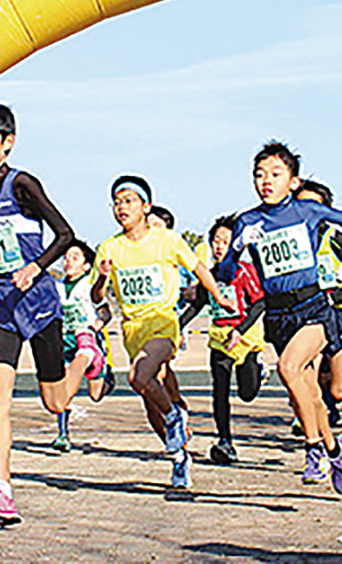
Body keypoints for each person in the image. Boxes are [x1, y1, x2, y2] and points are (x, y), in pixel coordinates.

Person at [0, 102, 105, 525]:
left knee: (55, 401)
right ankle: (1, 490)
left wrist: (36, 266)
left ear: (8, 143)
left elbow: (65, 234)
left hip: (39, 304)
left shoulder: (21, 184)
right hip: (2, 309)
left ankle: (85, 355)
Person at [219, 141, 342, 492]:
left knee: (288, 369)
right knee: (307, 394)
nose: (266, 181)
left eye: (275, 174)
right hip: (279, 315)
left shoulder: (306, 212)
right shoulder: (248, 221)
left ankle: (312, 449)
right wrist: (237, 246)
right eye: (259, 175)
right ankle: (334, 448)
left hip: (313, 307)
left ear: (292, 181)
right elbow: (225, 272)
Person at [91, 175, 236, 489]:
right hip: (132, 331)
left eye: (128, 201)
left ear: (146, 206)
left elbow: (198, 268)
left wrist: (218, 295)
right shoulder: (109, 247)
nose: (121, 208)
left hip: (163, 325)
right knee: (151, 401)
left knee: (139, 378)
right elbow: (96, 297)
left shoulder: (166, 240)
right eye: (116, 203)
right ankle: (179, 456)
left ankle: (175, 418)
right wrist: (102, 279)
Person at [179, 214, 266, 464]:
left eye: (225, 241)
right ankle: (225, 441)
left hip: (245, 336)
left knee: (247, 393)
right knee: (219, 391)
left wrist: (241, 331)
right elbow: (198, 305)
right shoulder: (210, 275)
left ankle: (257, 366)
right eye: (216, 240)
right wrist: (177, 327)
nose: (219, 246)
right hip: (219, 337)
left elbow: (260, 304)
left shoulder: (244, 271)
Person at [295, 179, 342, 429]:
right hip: (312, 316)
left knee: (339, 389)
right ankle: (312, 414)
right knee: (299, 370)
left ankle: (329, 402)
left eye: (314, 206)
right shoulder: (293, 243)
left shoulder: (338, 237)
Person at [52, 238, 113, 452]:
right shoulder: (57, 287)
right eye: (66, 257)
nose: (68, 261)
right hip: (63, 339)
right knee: (62, 383)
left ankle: (105, 374)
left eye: (75, 257)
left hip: (86, 337)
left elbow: (106, 312)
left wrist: (97, 324)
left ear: (86, 265)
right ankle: (62, 434)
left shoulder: (89, 285)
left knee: (95, 396)